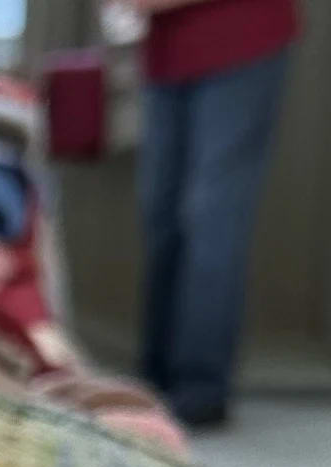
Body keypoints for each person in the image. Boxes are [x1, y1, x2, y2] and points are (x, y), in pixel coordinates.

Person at [125, 0, 299, 430]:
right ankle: (155, 379)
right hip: (166, 52)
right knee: (161, 218)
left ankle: (201, 389)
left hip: (240, 44)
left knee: (213, 220)